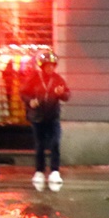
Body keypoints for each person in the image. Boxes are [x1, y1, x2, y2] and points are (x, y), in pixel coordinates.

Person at [21, 50, 71, 191]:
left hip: (53, 116)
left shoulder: (57, 79)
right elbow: (23, 92)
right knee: (40, 145)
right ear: (42, 66)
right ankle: (39, 171)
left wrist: (62, 94)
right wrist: (30, 101)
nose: (50, 68)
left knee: (55, 143)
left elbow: (67, 95)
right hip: (38, 117)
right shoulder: (34, 78)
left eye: (52, 66)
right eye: (47, 66)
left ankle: (55, 171)